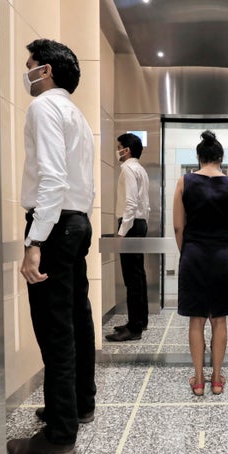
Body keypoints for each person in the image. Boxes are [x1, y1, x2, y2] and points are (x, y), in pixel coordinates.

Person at [7, 39, 96, 454]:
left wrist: (34, 241)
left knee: (54, 326)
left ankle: (60, 435)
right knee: (77, 317)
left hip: (55, 225)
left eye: (30, 66)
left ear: (46, 71)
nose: (26, 73)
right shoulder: (76, 115)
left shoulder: (44, 108)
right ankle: (79, 404)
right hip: (77, 222)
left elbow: (52, 180)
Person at [173, 130, 228, 396]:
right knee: (220, 320)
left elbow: (178, 227)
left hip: (193, 255)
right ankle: (217, 380)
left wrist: (187, 251)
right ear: (220, 158)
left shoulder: (183, 182)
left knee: (196, 320)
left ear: (199, 157)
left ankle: (199, 380)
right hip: (221, 256)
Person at [105, 133, 151, 342]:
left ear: (127, 150)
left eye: (119, 146)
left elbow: (131, 204)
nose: (118, 150)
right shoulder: (141, 169)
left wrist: (122, 231)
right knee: (138, 275)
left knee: (131, 278)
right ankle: (140, 320)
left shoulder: (127, 169)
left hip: (131, 224)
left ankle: (133, 328)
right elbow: (145, 205)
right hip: (139, 224)